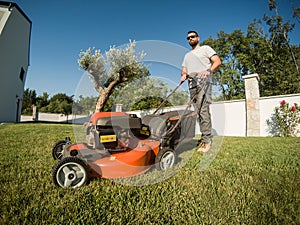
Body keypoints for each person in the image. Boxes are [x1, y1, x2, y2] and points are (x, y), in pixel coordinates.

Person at [181, 30, 221, 152]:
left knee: (203, 111)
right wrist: (183, 75)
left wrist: (208, 71)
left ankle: (206, 141)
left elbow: (217, 62)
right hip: (192, 85)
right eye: (188, 38)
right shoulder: (187, 56)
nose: (190, 39)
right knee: (197, 112)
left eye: (192, 37)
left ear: (198, 38)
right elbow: (184, 70)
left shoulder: (205, 49)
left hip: (204, 83)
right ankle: (204, 137)